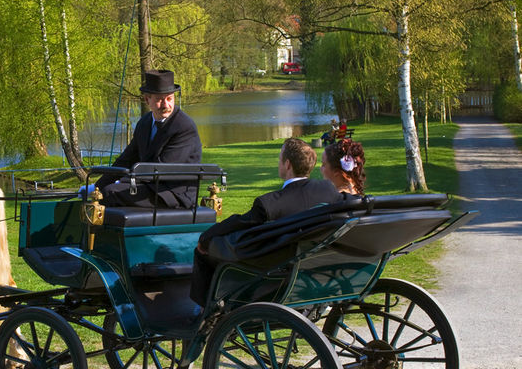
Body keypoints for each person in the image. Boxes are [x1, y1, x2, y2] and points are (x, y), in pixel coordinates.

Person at [189, 137, 341, 305]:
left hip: (275, 268)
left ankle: (205, 311)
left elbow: (239, 222)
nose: (279, 163)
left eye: (280, 159)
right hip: (314, 265)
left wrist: (205, 238)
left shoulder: (271, 203)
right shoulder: (328, 191)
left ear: (288, 164)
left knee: (205, 252)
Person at [91, 69, 202, 208]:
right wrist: (96, 186)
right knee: (95, 193)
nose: (166, 105)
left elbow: (163, 168)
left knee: (109, 193)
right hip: (149, 186)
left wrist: (122, 183)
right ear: (147, 99)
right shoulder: (144, 123)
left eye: (169, 99)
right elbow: (126, 160)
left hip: (173, 193)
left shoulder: (184, 127)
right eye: (160, 100)